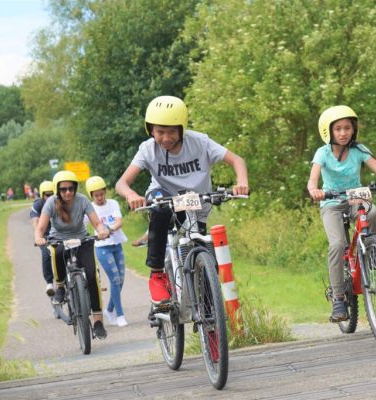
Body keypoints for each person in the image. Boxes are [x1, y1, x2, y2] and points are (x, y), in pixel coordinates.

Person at [115, 95, 249, 306]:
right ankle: (157, 274)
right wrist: (131, 194)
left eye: (171, 132)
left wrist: (241, 182)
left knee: (205, 260)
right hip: (163, 196)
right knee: (160, 210)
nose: (166, 138)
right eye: (160, 132)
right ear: (150, 129)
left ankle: (210, 322)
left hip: (196, 204)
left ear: (182, 128)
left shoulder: (200, 143)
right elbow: (122, 183)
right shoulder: (148, 149)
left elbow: (237, 160)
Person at [306, 105, 376, 322]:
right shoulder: (323, 153)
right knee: (337, 245)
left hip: (356, 198)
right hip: (332, 203)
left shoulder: (359, 151)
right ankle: (338, 298)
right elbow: (313, 178)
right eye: (338, 129)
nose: (343, 133)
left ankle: (370, 252)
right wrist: (315, 191)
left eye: (347, 128)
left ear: (353, 130)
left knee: (373, 214)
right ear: (328, 131)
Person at [34, 170, 110, 339]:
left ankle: (97, 321)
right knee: (56, 251)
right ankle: (60, 286)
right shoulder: (51, 203)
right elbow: (40, 228)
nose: (67, 192)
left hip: (81, 240)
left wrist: (102, 230)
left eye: (71, 188)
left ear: (75, 188)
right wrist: (39, 238)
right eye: (63, 189)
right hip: (59, 240)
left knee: (92, 276)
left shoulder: (82, 200)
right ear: (57, 190)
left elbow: (96, 222)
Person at [86, 176, 129, 327]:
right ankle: (120, 315)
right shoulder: (90, 208)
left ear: (105, 192)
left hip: (116, 244)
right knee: (115, 279)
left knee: (120, 280)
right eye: (95, 195)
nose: (99, 197)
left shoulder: (113, 203)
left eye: (101, 194)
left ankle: (109, 309)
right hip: (102, 248)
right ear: (91, 195)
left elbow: (119, 221)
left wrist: (108, 230)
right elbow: (83, 225)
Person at [30, 181, 56, 296]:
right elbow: (35, 222)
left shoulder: (60, 202)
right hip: (44, 236)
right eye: (47, 195)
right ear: (42, 195)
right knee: (46, 254)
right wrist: (38, 237)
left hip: (59, 234)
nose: (50, 197)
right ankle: (49, 282)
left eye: (52, 194)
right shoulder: (37, 205)